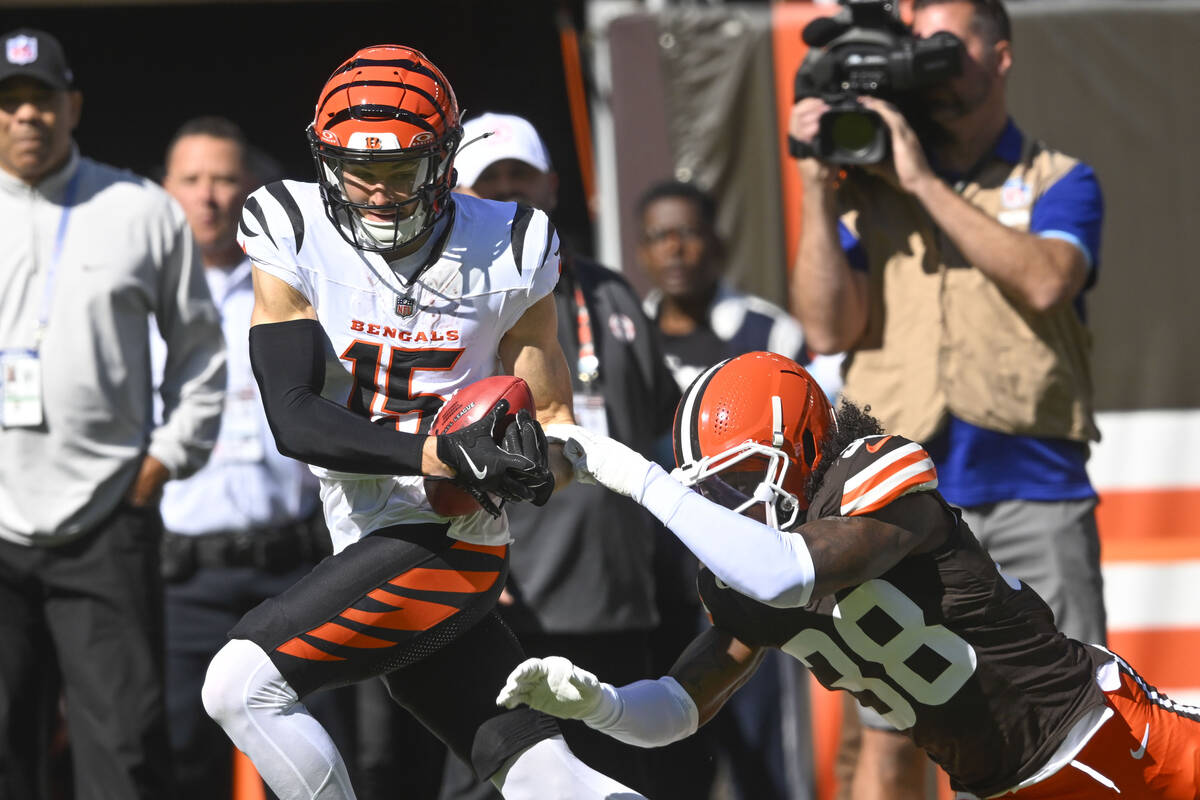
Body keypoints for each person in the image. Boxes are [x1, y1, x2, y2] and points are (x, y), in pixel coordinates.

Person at [199, 44, 647, 800]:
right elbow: (295, 418)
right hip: (370, 526)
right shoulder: (290, 222)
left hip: (451, 537)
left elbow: (554, 420)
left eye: (398, 172)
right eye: (355, 170)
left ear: (443, 163)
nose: (374, 194)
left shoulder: (512, 243)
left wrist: (537, 463)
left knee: (240, 687)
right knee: (544, 774)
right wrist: (440, 452)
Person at [501, 351, 1200, 800]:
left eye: (742, 477)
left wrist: (638, 479)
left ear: (803, 447)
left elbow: (787, 576)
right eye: (712, 491)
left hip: (1113, 739)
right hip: (1005, 784)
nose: (731, 506)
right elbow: (680, 711)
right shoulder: (750, 569)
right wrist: (603, 707)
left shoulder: (873, 478)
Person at [788, 0, 1105, 795]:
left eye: (945, 42)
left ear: (999, 53)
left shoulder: (1059, 177)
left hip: (1036, 491)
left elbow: (1045, 279)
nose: (927, 57)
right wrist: (818, 192)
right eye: (915, 41)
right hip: (897, 496)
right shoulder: (868, 186)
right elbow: (827, 324)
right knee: (896, 725)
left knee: (1072, 714)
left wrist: (922, 181)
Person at [0, 28, 226, 799]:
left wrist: (163, 460)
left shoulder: (138, 208)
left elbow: (201, 349)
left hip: (106, 515)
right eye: (9, 102)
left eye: (42, 100)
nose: (26, 117)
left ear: (74, 107)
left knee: (125, 750)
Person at [431, 111, 679, 800]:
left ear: (553, 185)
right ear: (453, 189)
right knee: (496, 781)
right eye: (492, 179)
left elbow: (654, 426)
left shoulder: (613, 292)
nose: (511, 192)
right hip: (508, 604)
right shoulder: (448, 306)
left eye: (523, 176)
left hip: (619, 604)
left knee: (616, 786)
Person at [157, 115, 359, 800]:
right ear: (166, 191)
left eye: (224, 179)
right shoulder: (139, 296)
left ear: (252, 191)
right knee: (177, 757)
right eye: (192, 180)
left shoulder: (298, 288)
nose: (208, 196)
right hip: (180, 577)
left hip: (291, 568)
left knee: (306, 752)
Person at [637, 178, 839, 800]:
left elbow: (814, 451)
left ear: (717, 245)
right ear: (643, 251)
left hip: (750, 581)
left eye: (689, 234)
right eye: (659, 237)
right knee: (668, 753)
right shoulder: (628, 335)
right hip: (654, 582)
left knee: (763, 764)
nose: (675, 250)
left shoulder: (768, 332)